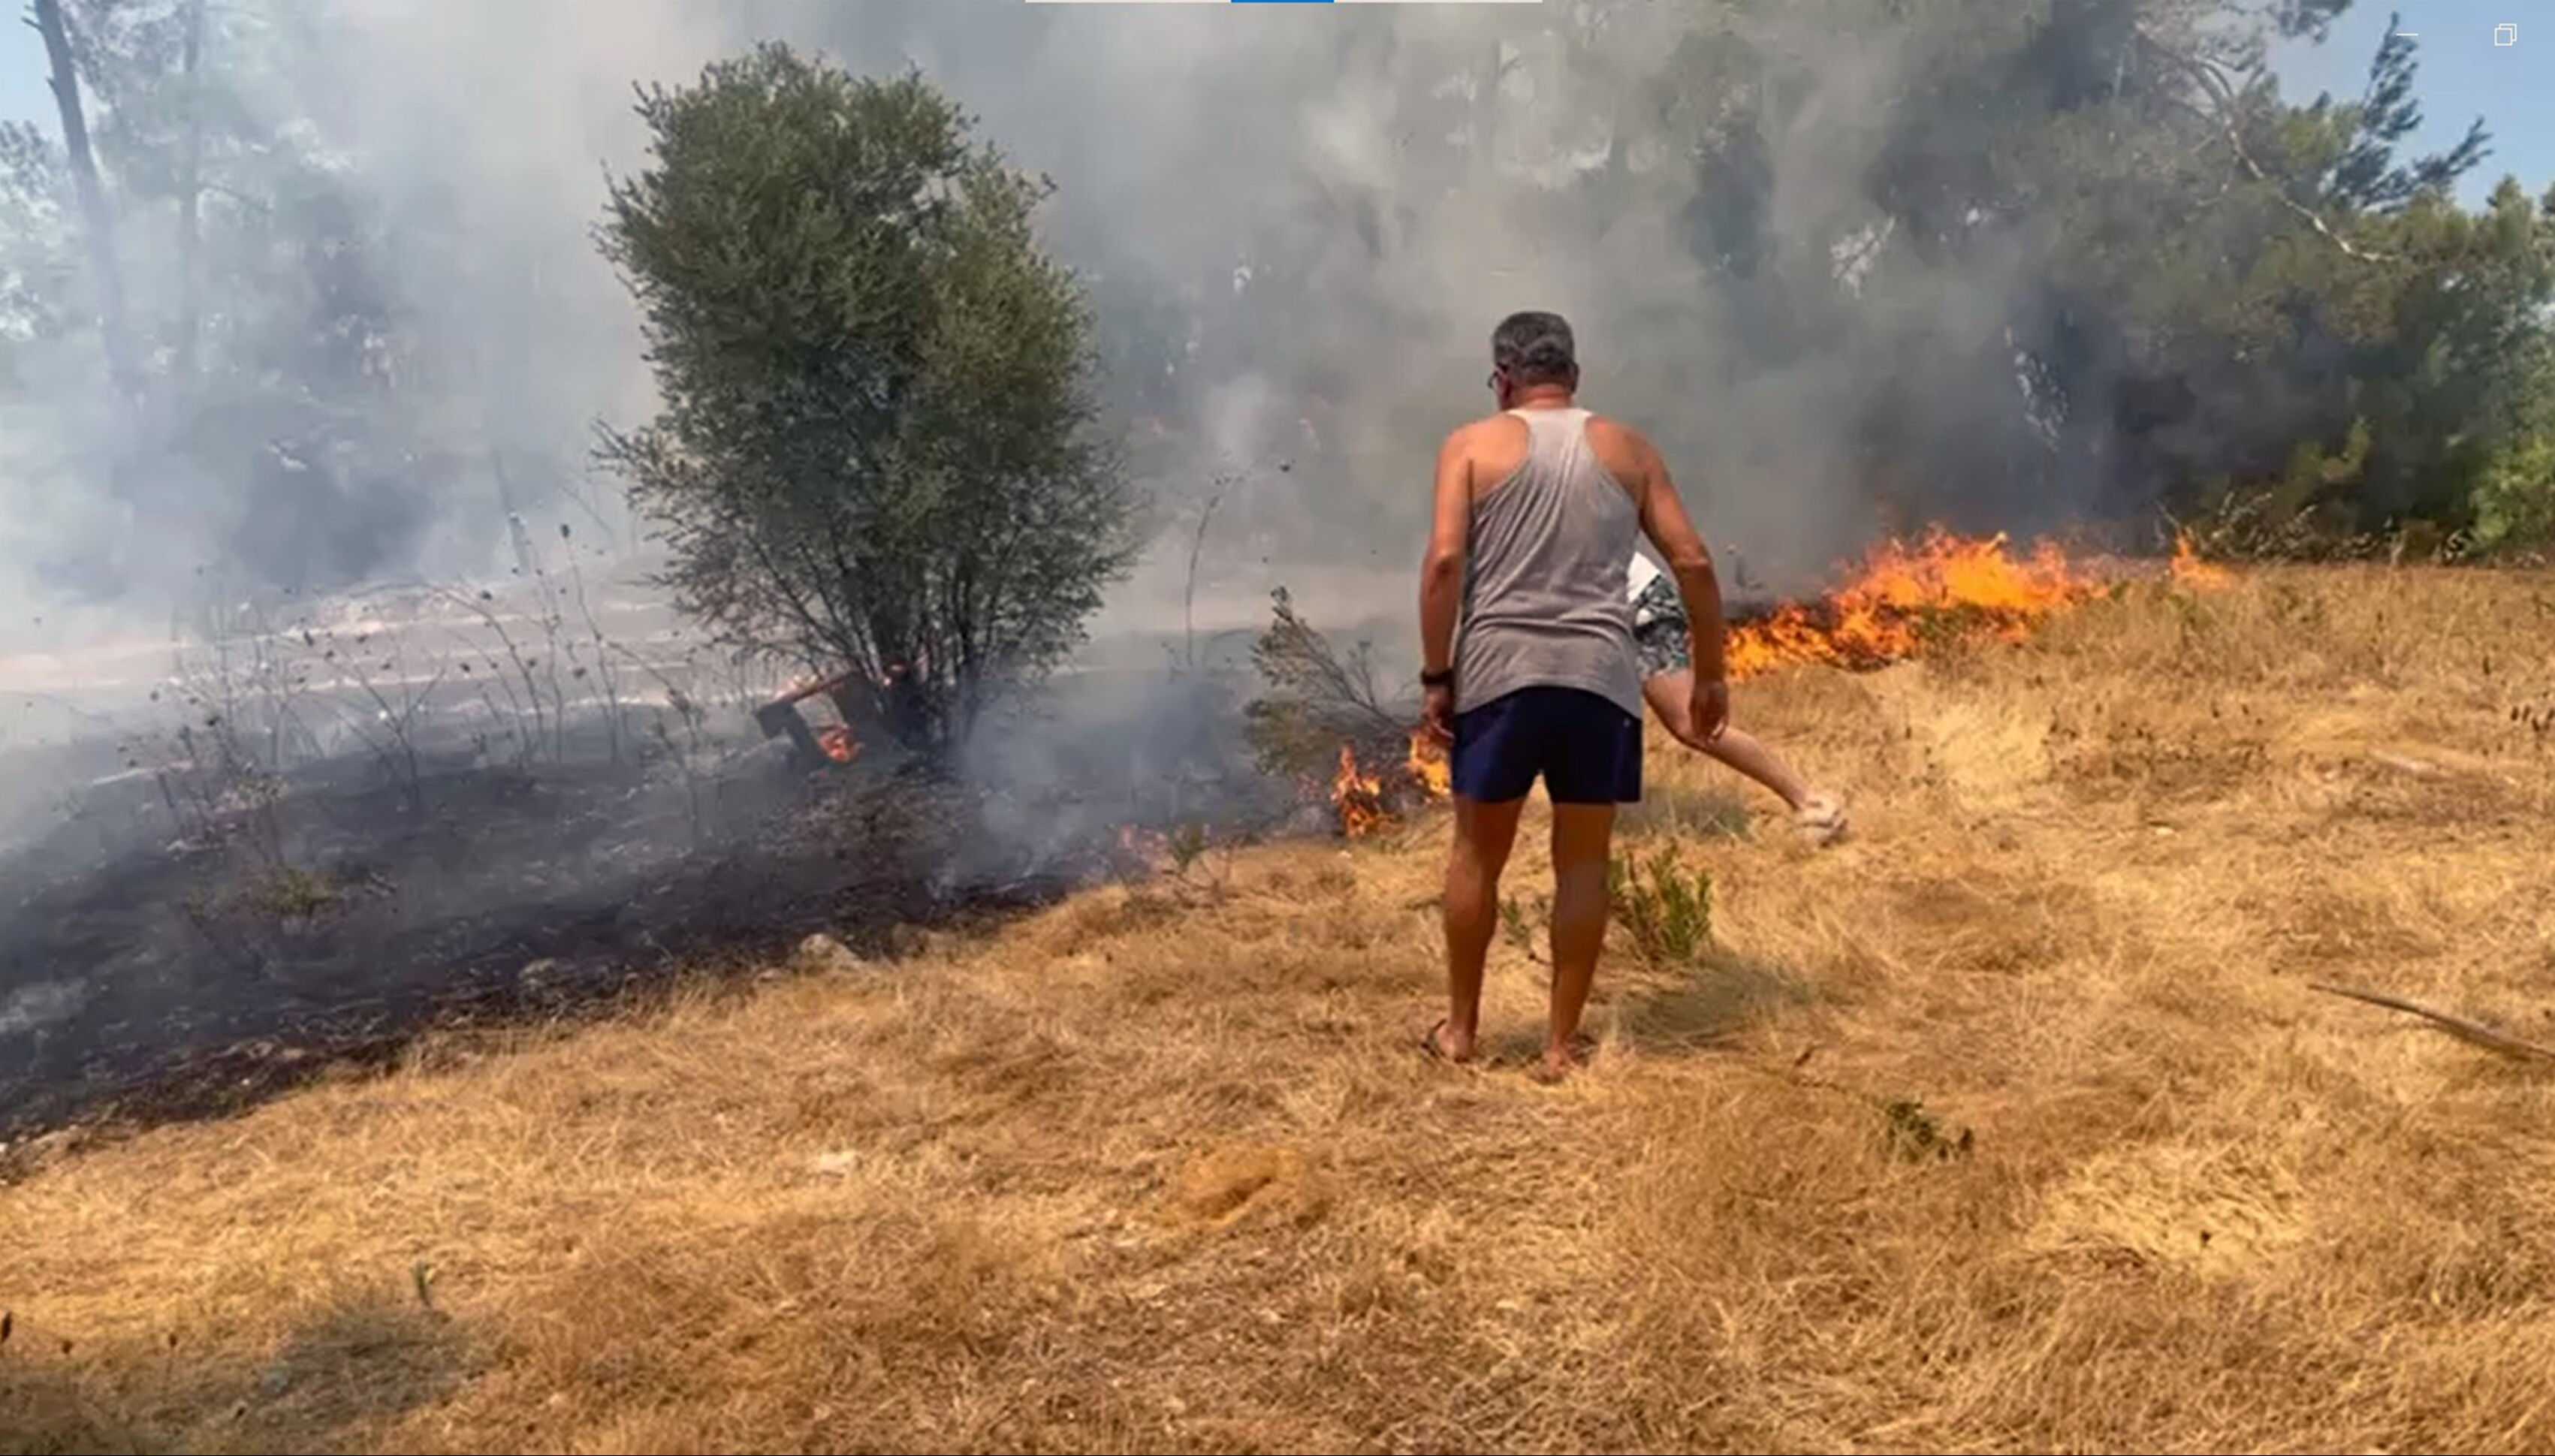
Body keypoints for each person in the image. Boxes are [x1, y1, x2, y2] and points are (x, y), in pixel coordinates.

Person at [1417, 310, 1727, 1081]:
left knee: (1476, 856)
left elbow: (1446, 561)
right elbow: (1690, 559)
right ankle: (1560, 1047)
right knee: (1583, 865)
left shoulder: (1469, 446)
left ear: (1502, 379)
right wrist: (1712, 671)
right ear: (1575, 377)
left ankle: (1461, 1030)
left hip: (1499, 674)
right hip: (1600, 680)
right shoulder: (1629, 449)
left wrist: (1436, 676)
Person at [1627, 552, 1848, 845]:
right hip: (1588, 616)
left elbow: (1691, 558)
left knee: (1691, 725)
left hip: (1641, 607)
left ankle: (1813, 805)